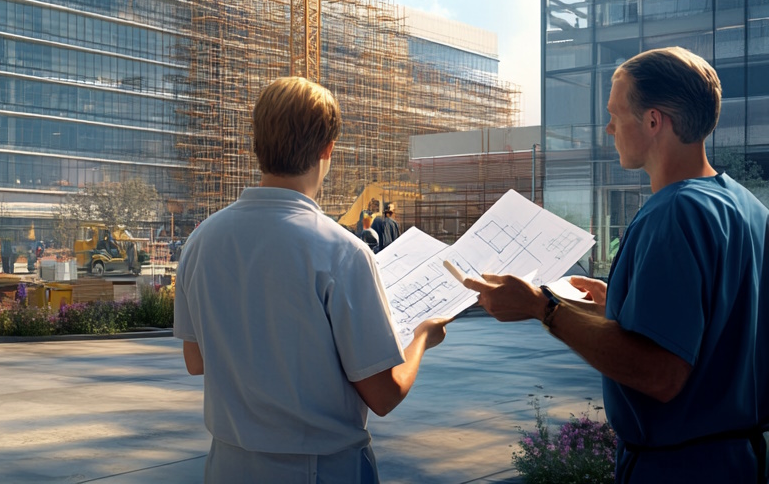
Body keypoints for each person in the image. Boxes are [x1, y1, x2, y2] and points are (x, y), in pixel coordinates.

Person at [467, 47, 769, 483]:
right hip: (742, 462)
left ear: (652, 121)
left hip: (677, 469)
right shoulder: (747, 209)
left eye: (615, 113)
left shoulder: (674, 213)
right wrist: (620, 308)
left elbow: (659, 373)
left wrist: (542, 308)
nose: (608, 127)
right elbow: (715, 329)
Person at [174, 77, 448, 483]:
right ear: (327, 148)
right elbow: (384, 395)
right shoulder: (342, 252)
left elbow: (196, 362)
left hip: (227, 465)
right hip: (320, 469)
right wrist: (423, 335)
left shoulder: (201, 241)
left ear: (257, 142)